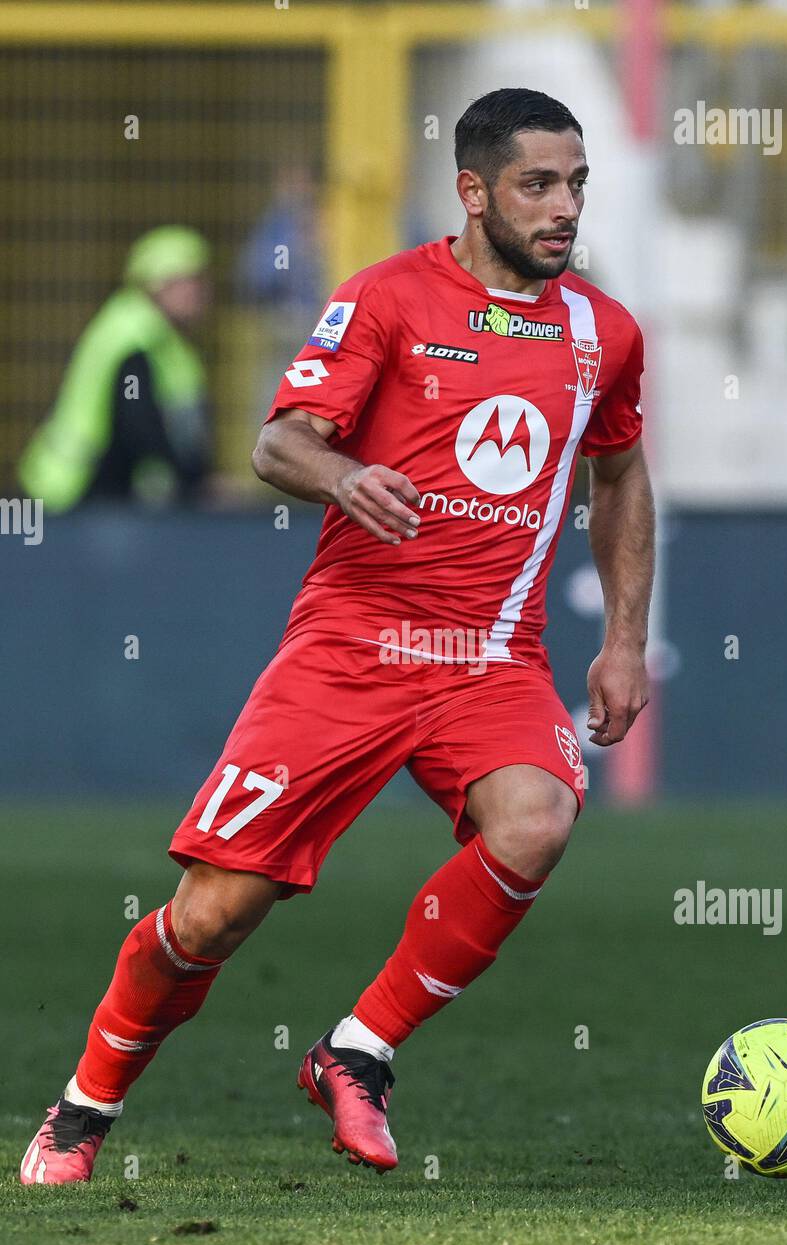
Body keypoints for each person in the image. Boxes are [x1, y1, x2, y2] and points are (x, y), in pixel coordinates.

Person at [20, 88, 654, 1184]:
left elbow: (622, 473)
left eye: (576, 184)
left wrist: (625, 640)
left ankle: (356, 1050)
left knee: (537, 818)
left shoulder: (604, 332)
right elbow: (278, 444)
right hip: (352, 645)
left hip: (491, 655)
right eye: (538, 185)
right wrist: (346, 475)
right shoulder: (385, 298)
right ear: (473, 192)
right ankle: (84, 1106)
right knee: (214, 915)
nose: (564, 208)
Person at [18, 226, 212, 510]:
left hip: (94, 490)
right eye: (187, 282)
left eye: (201, 281)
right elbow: (137, 422)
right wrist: (192, 486)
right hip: (74, 490)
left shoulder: (162, 338)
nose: (199, 292)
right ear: (157, 286)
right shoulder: (134, 335)